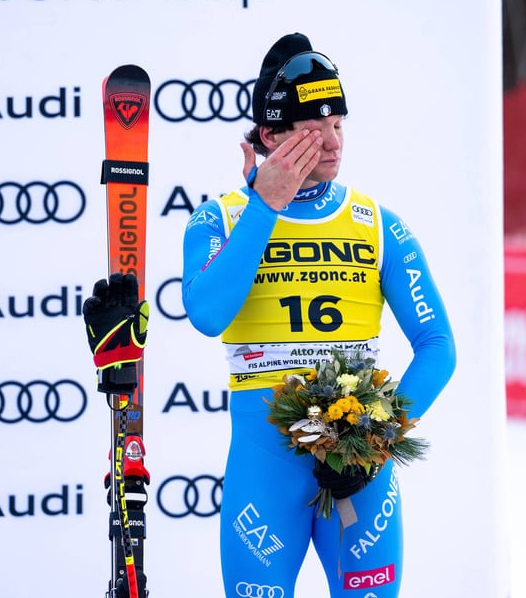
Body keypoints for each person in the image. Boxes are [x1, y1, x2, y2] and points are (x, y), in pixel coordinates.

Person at [180, 33, 456, 597]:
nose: (333, 144)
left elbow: (438, 346)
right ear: (270, 135)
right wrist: (266, 207)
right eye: (313, 130)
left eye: (339, 125)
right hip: (265, 474)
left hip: (360, 472)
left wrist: (376, 441)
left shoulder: (377, 221)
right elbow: (207, 313)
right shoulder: (221, 219)